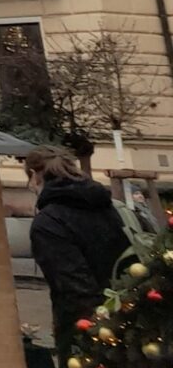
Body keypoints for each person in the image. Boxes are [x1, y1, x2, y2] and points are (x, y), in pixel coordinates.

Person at [27, 148, 128, 356]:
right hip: (128, 316)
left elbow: (72, 286)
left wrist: (87, 333)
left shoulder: (49, 221)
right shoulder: (105, 206)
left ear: (35, 176)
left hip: (85, 330)